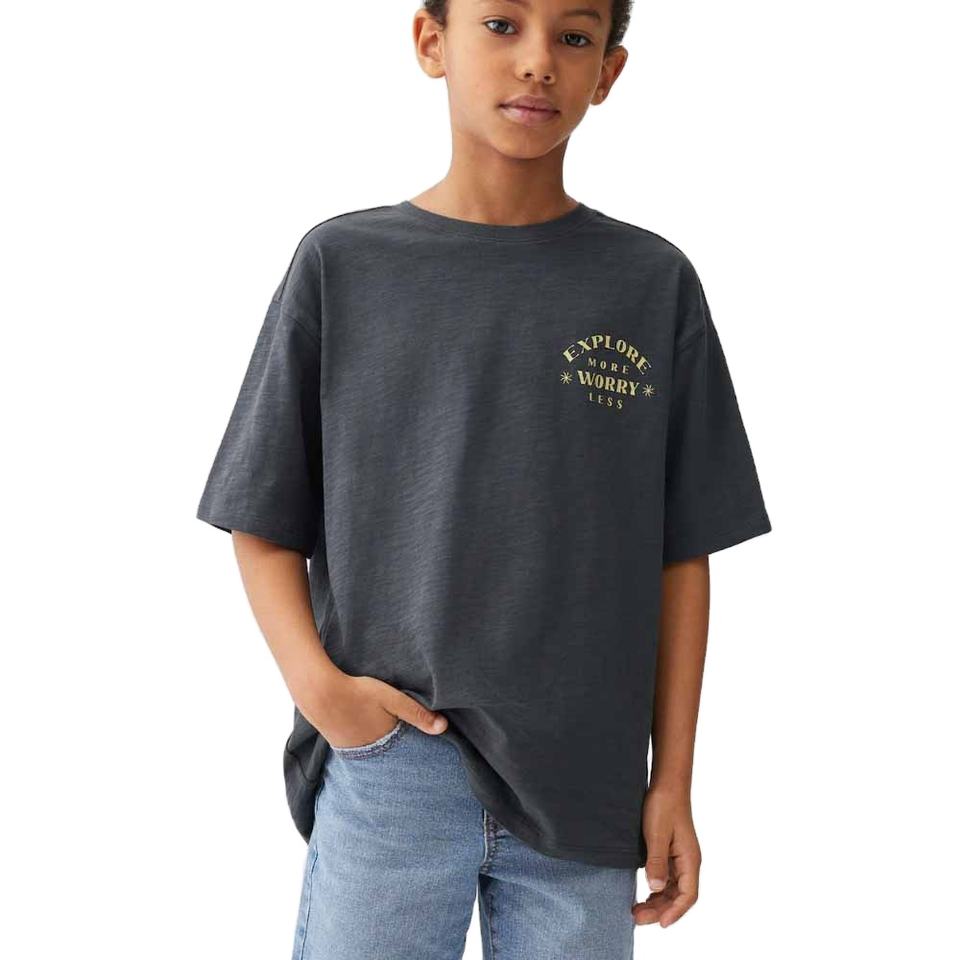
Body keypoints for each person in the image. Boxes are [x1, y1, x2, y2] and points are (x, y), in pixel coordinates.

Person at [196, 1, 772, 957]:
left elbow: (682, 554)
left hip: (585, 786)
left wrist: (671, 780)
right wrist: (324, 693)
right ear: (433, 43)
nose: (538, 61)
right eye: (502, 24)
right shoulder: (345, 264)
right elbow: (262, 513)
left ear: (609, 72)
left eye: (574, 37)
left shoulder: (650, 281)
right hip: (392, 763)